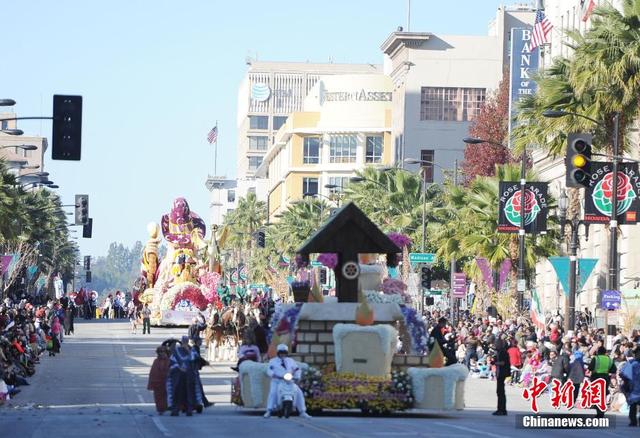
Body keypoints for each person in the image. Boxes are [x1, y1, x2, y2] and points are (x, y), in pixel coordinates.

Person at [264, 344, 311, 419]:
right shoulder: (273, 361)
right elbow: (269, 370)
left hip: (289, 381)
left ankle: (302, 411)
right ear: (278, 353)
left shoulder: (290, 361)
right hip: (277, 381)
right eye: (281, 352)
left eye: (284, 352)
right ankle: (269, 411)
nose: (282, 354)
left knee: (299, 392)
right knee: (273, 393)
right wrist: (273, 375)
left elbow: (297, 369)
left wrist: (297, 377)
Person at [167, 336, 203, 416]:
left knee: (189, 393)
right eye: (184, 341)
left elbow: (196, 360)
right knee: (177, 393)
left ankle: (189, 410)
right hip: (179, 376)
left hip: (189, 375)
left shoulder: (191, 351)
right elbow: (172, 362)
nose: (185, 343)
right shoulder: (176, 351)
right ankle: (175, 410)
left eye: (186, 341)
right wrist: (178, 367)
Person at [588, 346, 617, 418]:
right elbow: (614, 370)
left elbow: (590, 368)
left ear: (598, 352)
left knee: (597, 394)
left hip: (596, 377)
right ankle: (601, 411)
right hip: (605, 378)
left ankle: (598, 411)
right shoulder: (609, 359)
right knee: (603, 395)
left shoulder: (595, 358)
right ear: (605, 352)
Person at [620, 348, 640, 427]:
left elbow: (622, 374)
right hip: (634, 388)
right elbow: (622, 375)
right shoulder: (631, 363)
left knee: (633, 404)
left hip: (634, 388)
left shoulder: (632, 363)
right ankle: (633, 420)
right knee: (633, 404)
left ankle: (633, 421)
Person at [147, 346, 170, 414]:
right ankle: (160, 409)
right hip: (157, 382)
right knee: (158, 397)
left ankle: (164, 408)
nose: (162, 354)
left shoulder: (169, 361)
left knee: (165, 396)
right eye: (160, 352)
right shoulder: (156, 361)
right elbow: (153, 372)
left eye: (163, 352)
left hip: (166, 382)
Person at [492, 337, 510, 416]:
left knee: (500, 392)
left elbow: (502, 363)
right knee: (500, 392)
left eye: (496, 343)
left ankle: (501, 409)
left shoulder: (503, 352)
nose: (495, 345)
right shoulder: (499, 352)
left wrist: (495, 363)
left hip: (502, 373)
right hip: (500, 373)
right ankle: (501, 409)